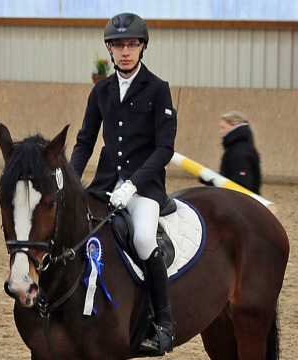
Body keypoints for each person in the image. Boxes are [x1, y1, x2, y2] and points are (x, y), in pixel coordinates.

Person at [70, 13, 177, 356]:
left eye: (131, 44)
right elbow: (85, 141)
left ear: (142, 47)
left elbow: (165, 149)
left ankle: (163, 324)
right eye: (118, 45)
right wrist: (71, 180)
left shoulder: (158, 89)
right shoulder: (100, 91)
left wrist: (133, 185)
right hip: (103, 183)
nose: (125, 51)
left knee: (144, 237)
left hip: (143, 188)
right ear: (109, 49)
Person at [218, 110, 262, 194]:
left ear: (234, 125)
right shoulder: (240, 148)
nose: (221, 132)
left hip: (239, 203)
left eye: (223, 127)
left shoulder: (239, 152)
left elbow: (241, 183)